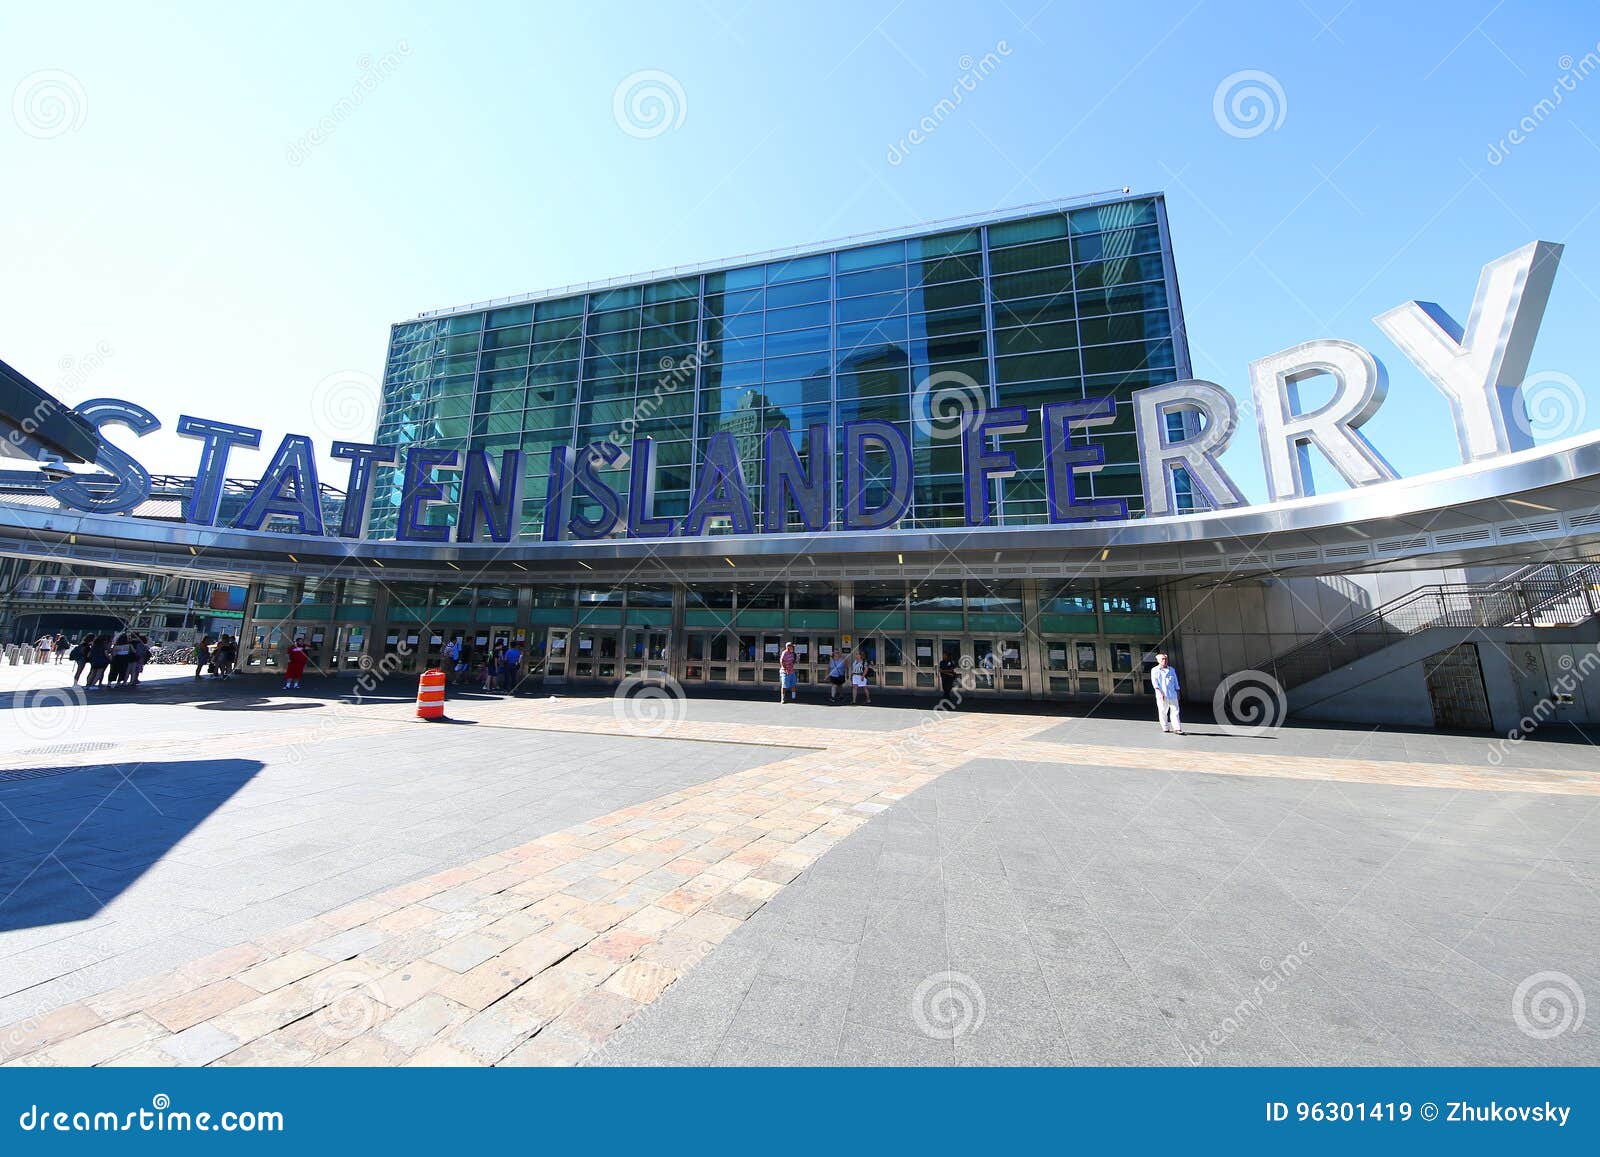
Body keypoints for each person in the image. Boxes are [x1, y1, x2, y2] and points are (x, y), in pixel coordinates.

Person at [1151, 652, 1183, 734]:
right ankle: (1165, 727)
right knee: (1163, 711)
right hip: (1162, 694)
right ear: (1158, 660)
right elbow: (1155, 683)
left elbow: (1176, 681)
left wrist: (1178, 691)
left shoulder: (1171, 669)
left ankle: (1177, 728)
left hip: (1172, 694)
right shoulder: (1154, 670)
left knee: (1175, 711)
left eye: (1165, 659)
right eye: (1162, 659)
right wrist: (1159, 692)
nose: (1164, 660)